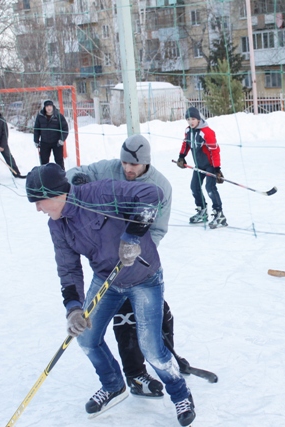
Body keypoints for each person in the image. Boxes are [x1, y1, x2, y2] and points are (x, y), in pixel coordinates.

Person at [25, 163, 195, 426]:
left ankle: (181, 394)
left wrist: (132, 236)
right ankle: (113, 384)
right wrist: (73, 308)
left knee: (151, 348)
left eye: (39, 201)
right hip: (107, 280)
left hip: (143, 278)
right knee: (86, 338)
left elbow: (153, 195)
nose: (38, 208)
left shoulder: (99, 193)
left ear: (57, 194)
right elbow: (68, 269)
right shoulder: (57, 225)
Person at [65, 134, 177, 398]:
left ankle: (167, 357)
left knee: (161, 312)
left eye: (134, 165)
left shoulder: (161, 186)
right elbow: (75, 173)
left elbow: (159, 230)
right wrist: (77, 181)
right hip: (106, 261)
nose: (128, 169)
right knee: (124, 317)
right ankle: (134, 374)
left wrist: (138, 252)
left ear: (146, 163)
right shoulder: (108, 169)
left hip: (139, 262)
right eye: (125, 162)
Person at [176, 107, 227, 229]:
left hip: (210, 165)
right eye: (188, 119)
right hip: (199, 165)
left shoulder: (207, 132)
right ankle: (202, 210)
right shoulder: (188, 131)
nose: (190, 121)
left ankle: (219, 214)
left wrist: (217, 169)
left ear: (198, 119)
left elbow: (215, 151)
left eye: (193, 119)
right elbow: (186, 143)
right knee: (194, 187)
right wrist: (181, 157)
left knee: (210, 187)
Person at [33, 100, 69, 169]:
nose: (49, 108)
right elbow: (36, 129)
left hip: (57, 143)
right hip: (44, 143)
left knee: (59, 161)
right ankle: (45, 176)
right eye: (47, 106)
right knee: (44, 161)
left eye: (50, 106)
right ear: (44, 107)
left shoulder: (58, 116)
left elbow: (65, 129)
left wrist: (62, 139)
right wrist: (36, 140)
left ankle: (61, 176)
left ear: (53, 107)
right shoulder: (40, 116)